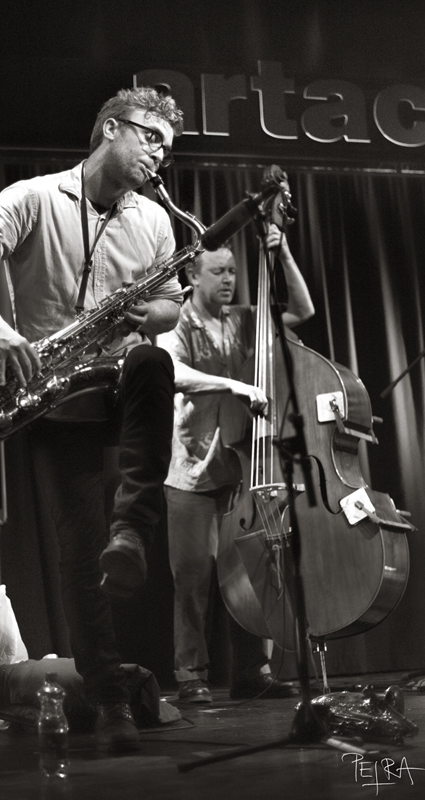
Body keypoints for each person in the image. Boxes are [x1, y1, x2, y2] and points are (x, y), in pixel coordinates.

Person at [0, 87, 185, 752]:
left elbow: (170, 305)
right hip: (53, 394)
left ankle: (132, 529)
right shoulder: (33, 197)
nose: (160, 156)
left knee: (153, 363)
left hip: (119, 378)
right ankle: (109, 700)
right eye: (151, 138)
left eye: (168, 147)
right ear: (110, 128)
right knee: (79, 554)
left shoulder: (155, 220)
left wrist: (149, 313)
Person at [157, 230, 315, 704]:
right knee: (193, 580)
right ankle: (191, 676)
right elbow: (173, 370)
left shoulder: (244, 319)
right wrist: (234, 386)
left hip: (242, 470)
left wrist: (283, 251)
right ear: (192, 275)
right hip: (191, 472)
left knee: (247, 574)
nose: (228, 279)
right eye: (218, 271)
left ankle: (252, 670)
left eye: (232, 271)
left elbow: (303, 310)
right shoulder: (177, 320)